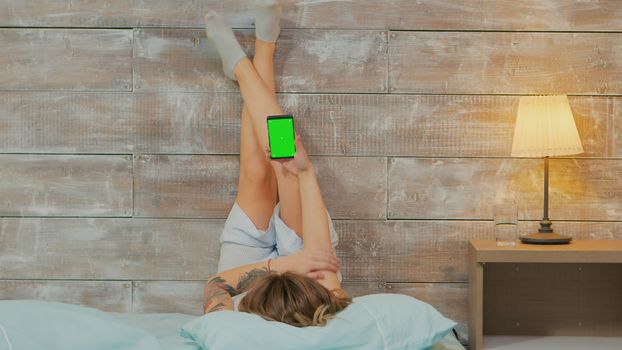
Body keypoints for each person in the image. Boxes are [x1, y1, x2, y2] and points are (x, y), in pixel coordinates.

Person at [202, 0, 351, 327]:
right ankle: (256, 55)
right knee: (285, 165)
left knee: (256, 174)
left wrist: (281, 266)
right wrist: (304, 169)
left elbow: (216, 285)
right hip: (303, 289)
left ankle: (247, 65)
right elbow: (325, 284)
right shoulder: (325, 302)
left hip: (253, 278)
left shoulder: (231, 326)